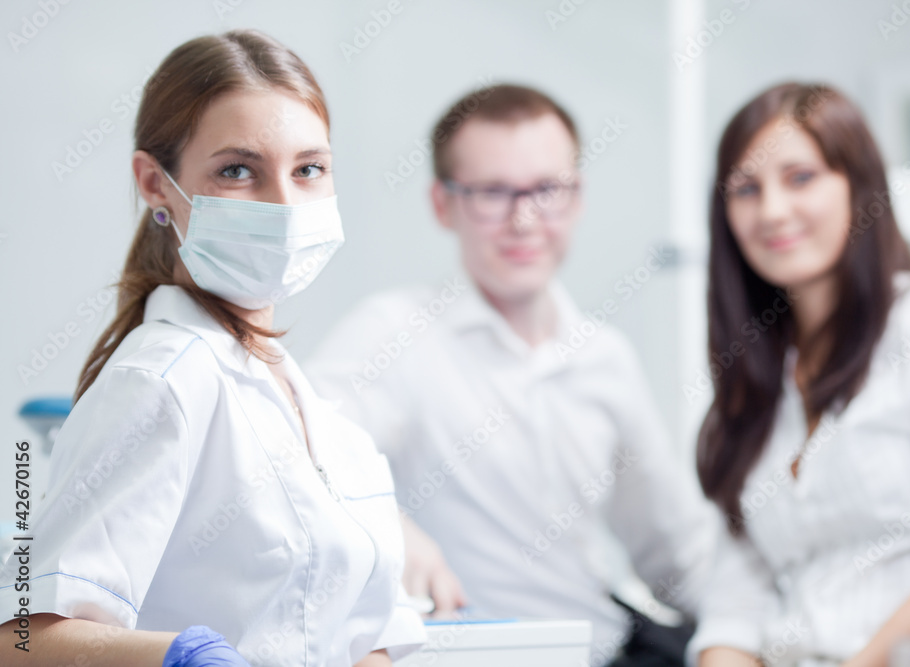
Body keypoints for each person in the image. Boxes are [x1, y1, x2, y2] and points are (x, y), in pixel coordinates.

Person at [0, 30, 424, 667]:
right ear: (155, 183)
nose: (284, 204)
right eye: (237, 170)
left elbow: (369, 640)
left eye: (308, 169)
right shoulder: (160, 381)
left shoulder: (332, 428)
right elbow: (21, 640)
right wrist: (181, 656)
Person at [305, 84, 714, 666]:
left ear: (577, 197)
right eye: (493, 193)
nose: (524, 220)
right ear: (443, 204)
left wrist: (766, 637)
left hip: (608, 648)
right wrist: (385, 523)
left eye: (547, 190)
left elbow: (675, 552)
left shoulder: (606, 358)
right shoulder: (393, 333)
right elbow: (291, 448)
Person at [689, 82, 910, 666]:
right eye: (746, 189)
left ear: (859, 185)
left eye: (800, 178)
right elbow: (735, 599)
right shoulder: (756, 374)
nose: (772, 210)